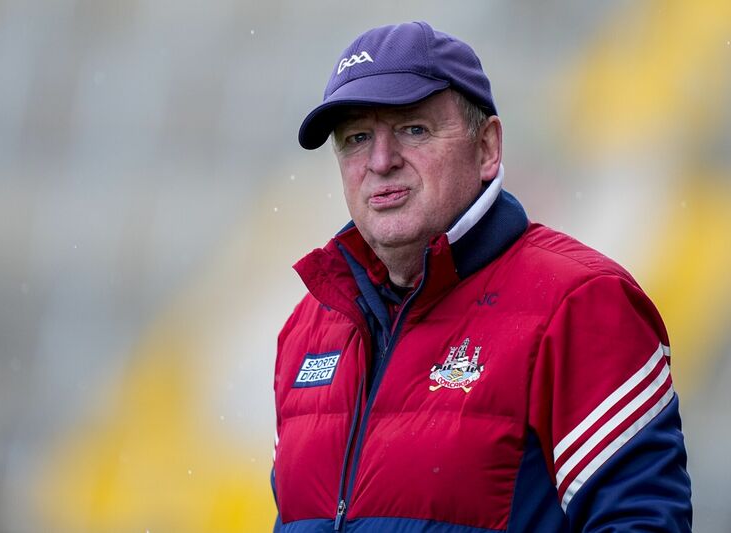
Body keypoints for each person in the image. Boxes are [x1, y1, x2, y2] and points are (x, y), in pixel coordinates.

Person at [271, 21, 691, 532]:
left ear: (488, 147)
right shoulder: (307, 329)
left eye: (413, 129)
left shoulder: (581, 303)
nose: (380, 162)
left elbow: (639, 523)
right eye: (357, 138)